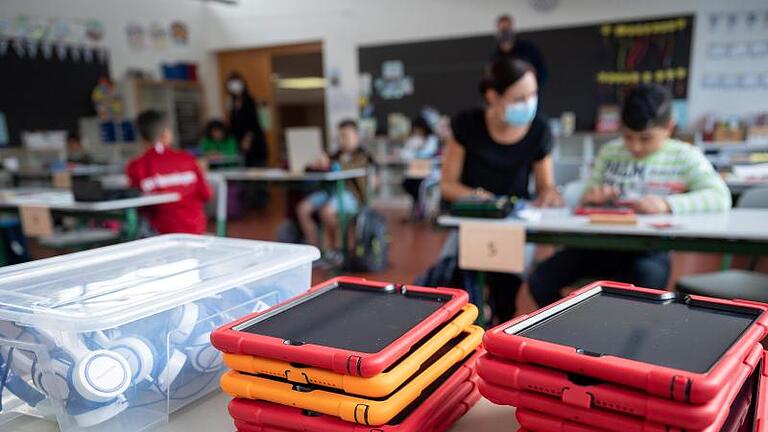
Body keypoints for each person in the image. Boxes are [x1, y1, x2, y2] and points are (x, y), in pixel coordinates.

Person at [528, 84, 732, 307]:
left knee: (643, 293)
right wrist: (592, 196)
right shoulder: (610, 152)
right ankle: (562, 330)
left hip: (648, 249)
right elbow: (588, 193)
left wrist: (667, 204)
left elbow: (719, 196)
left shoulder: (684, 156)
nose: (635, 146)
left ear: (669, 128)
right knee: (540, 280)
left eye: (645, 139)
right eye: (628, 137)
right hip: (596, 244)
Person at [440, 58, 563, 323]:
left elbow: (545, 187)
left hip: (515, 222)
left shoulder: (539, 129)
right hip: (472, 218)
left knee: (506, 289)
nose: (529, 103)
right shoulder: (466, 124)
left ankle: (498, 324)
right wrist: (478, 199)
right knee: (452, 283)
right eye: (519, 97)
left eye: (533, 94)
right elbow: (448, 186)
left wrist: (549, 195)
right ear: (492, 96)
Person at [296, 119, 377, 265]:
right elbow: (317, 169)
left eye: (345, 136)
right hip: (330, 192)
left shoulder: (363, 156)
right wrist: (316, 164)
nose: (342, 140)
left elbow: (342, 168)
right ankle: (314, 251)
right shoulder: (335, 154)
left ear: (356, 136)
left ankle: (336, 250)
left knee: (326, 211)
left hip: (352, 196)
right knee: (303, 209)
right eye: (339, 136)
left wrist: (329, 164)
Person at [127, 110, 212, 235]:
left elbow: (139, 206)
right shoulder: (187, 158)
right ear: (166, 134)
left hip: (160, 234)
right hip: (195, 230)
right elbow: (206, 195)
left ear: (141, 137)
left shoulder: (136, 165)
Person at [490, 14, 548, 89]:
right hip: (507, 97)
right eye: (502, 30)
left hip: (528, 94)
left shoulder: (528, 49)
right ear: (497, 32)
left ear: (512, 29)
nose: (505, 33)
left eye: (507, 29)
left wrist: (531, 88)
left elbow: (543, 72)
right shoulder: (495, 57)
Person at [225, 72, 268, 167]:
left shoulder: (249, 101)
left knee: (255, 167)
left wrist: (247, 140)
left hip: (253, 143)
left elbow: (253, 122)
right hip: (238, 142)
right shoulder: (231, 103)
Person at [401, 116, 440, 219]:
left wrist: (420, 147)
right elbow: (406, 154)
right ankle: (417, 205)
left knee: (419, 185)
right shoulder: (413, 139)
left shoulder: (432, 139)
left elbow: (429, 154)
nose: (416, 131)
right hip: (415, 172)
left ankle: (420, 208)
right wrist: (412, 147)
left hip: (429, 173)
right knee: (407, 183)